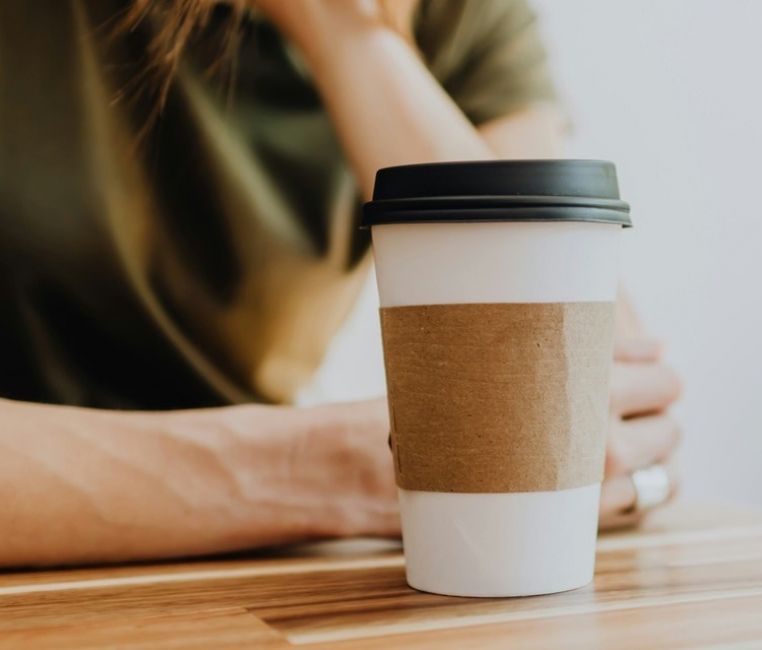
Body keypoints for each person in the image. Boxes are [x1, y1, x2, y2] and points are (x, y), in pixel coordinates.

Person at [0, 0, 681, 567]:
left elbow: (596, 399)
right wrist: (314, 472)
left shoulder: (454, 14)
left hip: (256, 567)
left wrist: (350, 31)